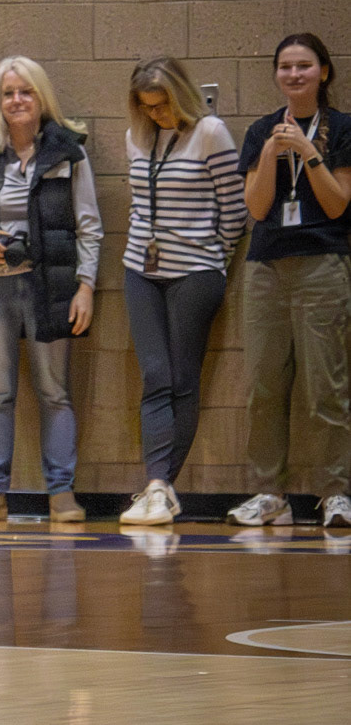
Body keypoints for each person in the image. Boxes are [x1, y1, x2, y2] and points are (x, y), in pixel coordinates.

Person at [0, 57, 103, 524]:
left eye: (25, 92)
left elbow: (89, 226)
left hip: (50, 286)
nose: (17, 100)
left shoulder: (68, 153)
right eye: (8, 93)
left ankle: (61, 493)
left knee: (55, 392)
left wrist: (86, 286)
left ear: (41, 99)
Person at [228, 33, 351, 529]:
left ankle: (337, 493)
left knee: (326, 386)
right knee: (264, 385)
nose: (294, 74)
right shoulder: (261, 130)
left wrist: (308, 151)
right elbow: (256, 208)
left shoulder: (341, 128)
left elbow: (339, 203)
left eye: (303, 66)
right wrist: (272, 158)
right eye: (285, 67)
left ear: (323, 72)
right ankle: (269, 494)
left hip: (323, 263)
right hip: (265, 267)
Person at [118, 58, 247, 525]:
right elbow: (138, 203)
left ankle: (160, 487)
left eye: (163, 105)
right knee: (155, 374)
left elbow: (234, 211)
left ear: (181, 96)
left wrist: (214, 258)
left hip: (195, 272)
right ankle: (157, 485)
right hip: (141, 270)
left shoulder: (210, 133)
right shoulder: (137, 136)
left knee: (181, 379)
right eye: (148, 108)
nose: (157, 115)